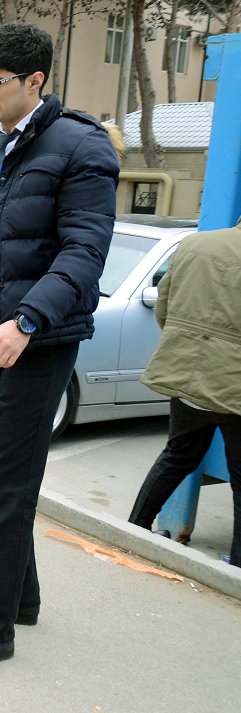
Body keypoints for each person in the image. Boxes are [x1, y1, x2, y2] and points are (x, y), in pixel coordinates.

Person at [0, 21, 119, 671]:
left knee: (6, 485)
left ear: (35, 80)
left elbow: (84, 251)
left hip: (39, 338)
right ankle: (19, 599)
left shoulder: (79, 146)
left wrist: (27, 322)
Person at [128, 215, 241, 568]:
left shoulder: (194, 244)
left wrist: (187, 344)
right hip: (234, 387)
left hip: (185, 371)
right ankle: (236, 567)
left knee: (177, 455)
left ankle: (133, 529)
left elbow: (164, 306)